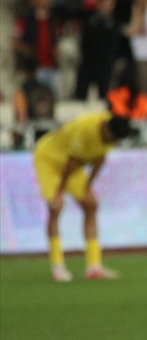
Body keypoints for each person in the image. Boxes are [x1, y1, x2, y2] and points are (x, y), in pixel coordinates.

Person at [33, 108, 136, 282]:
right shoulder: (86, 129)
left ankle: (94, 266)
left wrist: (88, 187)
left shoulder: (111, 130)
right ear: (106, 130)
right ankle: (58, 266)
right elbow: (71, 163)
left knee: (91, 204)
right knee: (56, 207)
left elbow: (99, 160)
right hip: (49, 160)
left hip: (72, 166)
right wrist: (59, 192)